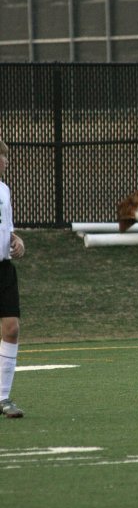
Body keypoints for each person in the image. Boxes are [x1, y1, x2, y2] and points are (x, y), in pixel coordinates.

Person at [0, 140, 25, 417]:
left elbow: (7, 231)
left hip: (4, 269)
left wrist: (17, 242)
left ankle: (3, 398)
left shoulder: (4, 190)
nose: (6, 162)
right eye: (3, 157)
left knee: (11, 328)